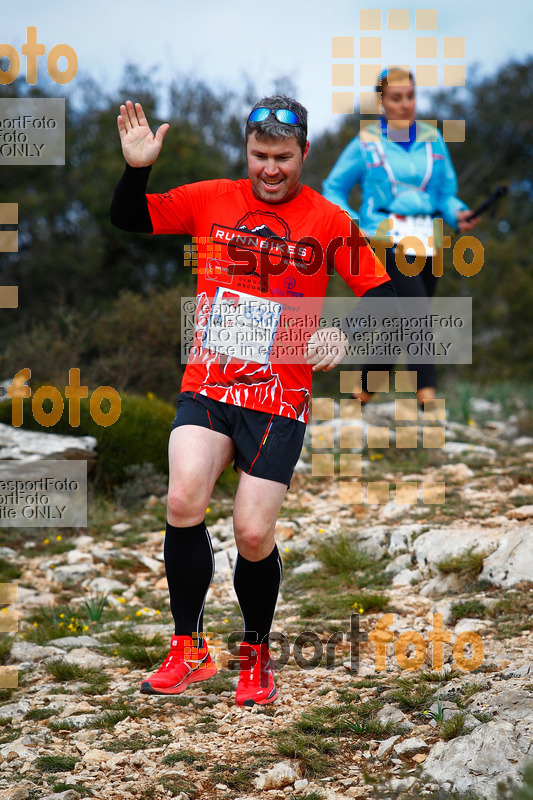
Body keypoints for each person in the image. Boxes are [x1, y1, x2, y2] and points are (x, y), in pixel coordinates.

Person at [111, 95, 394, 706]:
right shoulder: (211, 197)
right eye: (260, 155)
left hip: (278, 398)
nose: (270, 169)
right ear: (246, 150)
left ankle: (256, 656)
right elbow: (130, 219)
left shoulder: (328, 220)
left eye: (283, 158)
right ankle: (188, 650)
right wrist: (138, 169)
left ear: (304, 154)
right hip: (208, 386)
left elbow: (384, 295)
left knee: (252, 533)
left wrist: (343, 331)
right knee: (184, 497)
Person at [323, 67, 479, 406]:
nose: (405, 104)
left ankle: (360, 393)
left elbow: (445, 194)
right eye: (396, 98)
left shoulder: (433, 140)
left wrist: (459, 213)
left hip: (430, 239)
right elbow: (333, 187)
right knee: (416, 311)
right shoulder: (364, 143)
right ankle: (428, 394)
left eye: (410, 96)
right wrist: (351, 221)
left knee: (398, 320)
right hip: (386, 236)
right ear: (381, 102)